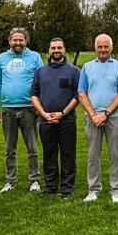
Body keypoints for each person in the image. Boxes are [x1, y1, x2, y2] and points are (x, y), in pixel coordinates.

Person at [78, 34, 118, 203]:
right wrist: (93, 115)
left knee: (115, 154)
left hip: (113, 117)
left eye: (106, 46)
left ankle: (116, 189)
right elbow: (81, 93)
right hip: (92, 117)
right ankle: (94, 189)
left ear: (111, 47)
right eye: (99, 46)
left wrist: (105, 113)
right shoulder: (86, 67)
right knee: (93, 155)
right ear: (95, 48)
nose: (103, 49)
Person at [0, 28, 43, 193]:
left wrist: (39, 107)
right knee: (9, 149)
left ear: (26, 41)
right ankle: (11, 181)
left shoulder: (34, 57)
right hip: (8, 109)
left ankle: (34, 180)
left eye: (21, 40)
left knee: (32, 148)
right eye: (15, 40)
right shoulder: (2, 58)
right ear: (10, 41)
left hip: (29, 109)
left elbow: (42, 81)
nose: (18, 43)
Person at [31, 37, 81, 198]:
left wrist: (63, 113)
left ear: (64, 50)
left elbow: (78, 96)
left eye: (59, 48)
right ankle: (51, 186)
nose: (56, 51)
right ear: (49, 50)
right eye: (53, 48)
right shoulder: (41, 72)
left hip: (67, 120)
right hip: (46, 121)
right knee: (49, 154)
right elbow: (34, 95)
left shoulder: (74, 71)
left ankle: (67, 188)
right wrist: (44, 114)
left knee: (68, 154)